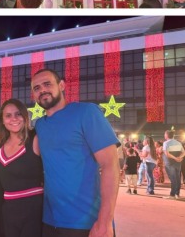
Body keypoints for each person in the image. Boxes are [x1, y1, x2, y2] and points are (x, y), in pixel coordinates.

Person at [30, 68, 119, 237]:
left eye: (47, 84)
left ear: (61, 85)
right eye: (36, 88)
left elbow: (110, 166)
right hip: (50, 221)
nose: (42, 90)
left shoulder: (86, 112)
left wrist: (105, 221)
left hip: (86, 221)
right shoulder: (40, 125)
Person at [0, 99, 43, 237]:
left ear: (25, 116)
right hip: (8, 210)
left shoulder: (36, 138)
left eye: (18, 114)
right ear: (2, 120)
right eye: (8, 116)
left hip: (34, 209)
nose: (13, 119)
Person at [162, 130, 184, 199]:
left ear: (167, 135)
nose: (164, 135)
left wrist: (175, 158)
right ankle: (177, 194)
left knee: (173, 179)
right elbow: (184, 152)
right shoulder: (178, 143)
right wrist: (179, 158)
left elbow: (167, 154)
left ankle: (172, 195)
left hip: (170, 163)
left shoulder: (166, 143)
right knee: (177, 178)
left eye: (165, 134)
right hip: (178, 163)